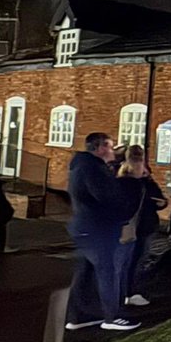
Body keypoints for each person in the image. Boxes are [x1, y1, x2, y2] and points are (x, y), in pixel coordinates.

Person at [65, 133, 141, 331]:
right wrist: (126, 201)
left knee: (85, 272)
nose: (114, 151)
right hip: (97, 228)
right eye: (110, 146)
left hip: (86, 227)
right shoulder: (93, 169)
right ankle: (112, 316)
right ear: (100, 148)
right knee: (108, 271)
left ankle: (78, 315)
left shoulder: (83, 166)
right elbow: (108, 197)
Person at [116, 146, 167, 307]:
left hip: (139, 225)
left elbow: (159, 199)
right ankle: (129, 292)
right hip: (139, 226)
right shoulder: (133, 182)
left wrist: (160, 201)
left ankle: (125, 292)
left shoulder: (126, 179)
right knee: (134, 261)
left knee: (131, 261)